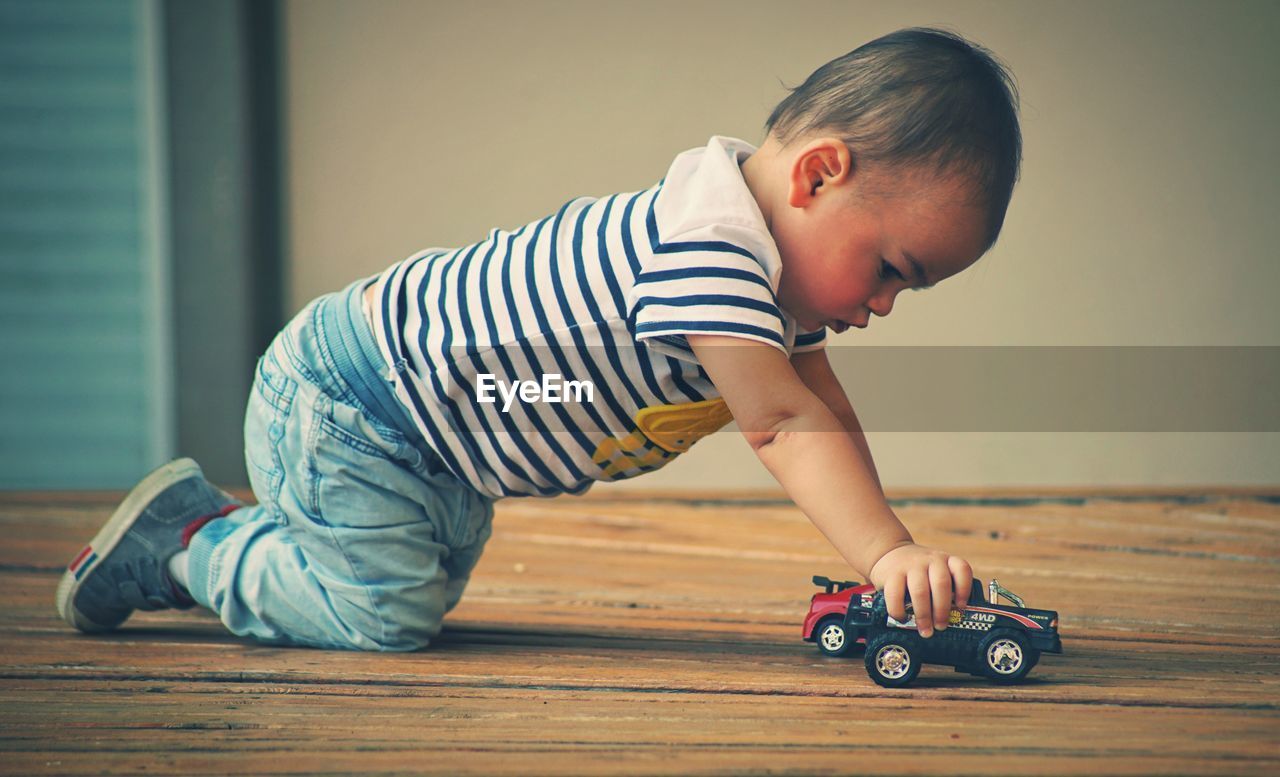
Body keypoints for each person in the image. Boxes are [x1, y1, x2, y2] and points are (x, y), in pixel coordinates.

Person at [57, 27, 1021, 651]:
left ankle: (259, 537)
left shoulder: (772, 277)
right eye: (895, 267)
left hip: (446, 444)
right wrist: (886, 550)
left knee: (418, 584)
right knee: (385, 615)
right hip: (358, 405)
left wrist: (895, 554)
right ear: (818, 176)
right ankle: (191, 544)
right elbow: (777, 423)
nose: (888, 303)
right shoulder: (713, 247)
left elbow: (822, 409)